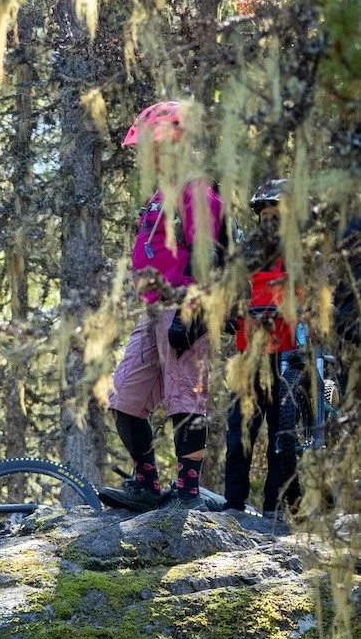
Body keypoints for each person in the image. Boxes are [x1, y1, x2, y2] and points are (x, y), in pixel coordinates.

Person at [108, 100, 226, 505]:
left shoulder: (197, 191)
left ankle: (188, 489)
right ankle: (147, 482)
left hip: (183, 304)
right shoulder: (161, 193)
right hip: (153, 307)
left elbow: (208, 257)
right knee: (125, 397)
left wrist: (192, 315)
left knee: (185, 398)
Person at [224, 178, 303, 516]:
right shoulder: (249, 256)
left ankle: (274, 507)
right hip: (250, 355)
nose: (270, 219)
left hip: (286, 354)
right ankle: (234, 504)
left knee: (280, 435)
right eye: (265, 213)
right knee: (239, 430)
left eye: (277, 212)